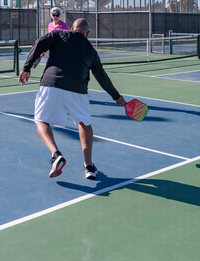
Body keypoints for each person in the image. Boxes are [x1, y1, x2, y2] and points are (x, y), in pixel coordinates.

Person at [19, 18, 127, 180]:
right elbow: (102, 77)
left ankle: (56, 154)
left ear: (71, 28)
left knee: (41, 120)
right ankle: (89, 166)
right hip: (78, 89)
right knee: (84, 124)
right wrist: (117, 97)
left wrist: (27, 68)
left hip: (51, 84)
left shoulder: (58, 34)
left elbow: (40, 42)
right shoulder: (91, 50)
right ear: (87, 33)